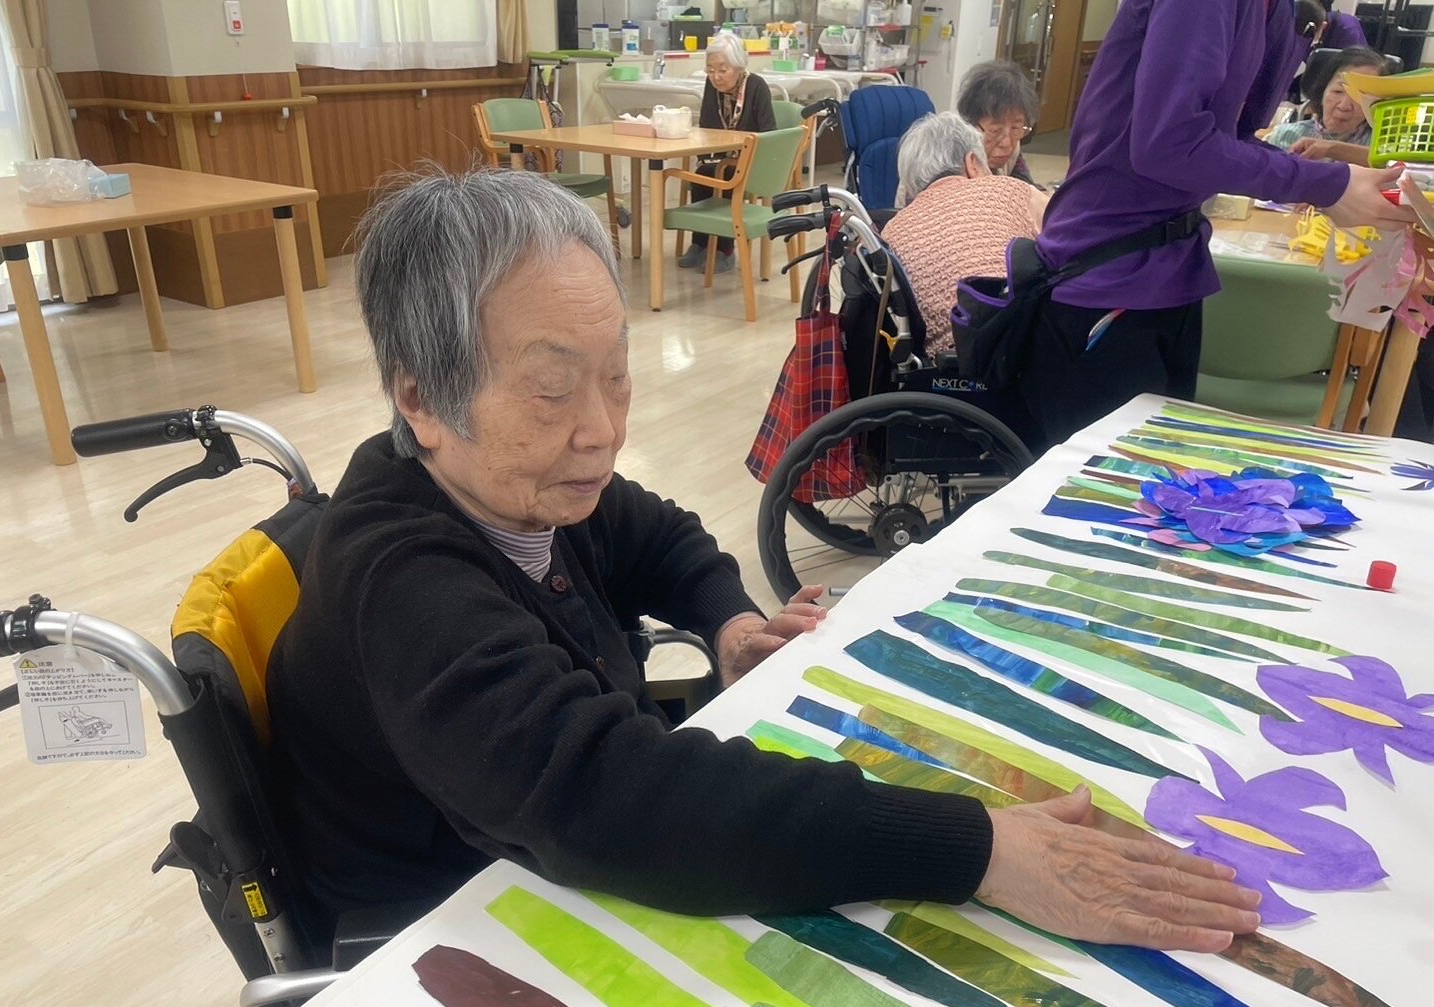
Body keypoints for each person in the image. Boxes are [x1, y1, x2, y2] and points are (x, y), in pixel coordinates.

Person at [267, 166, 1262, 956]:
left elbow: (656, 533)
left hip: (530, 851)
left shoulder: (515, 480)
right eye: (552, 390)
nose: (601, 430)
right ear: (420, 400)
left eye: (616, 376)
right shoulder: (403, 579)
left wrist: (729, 620)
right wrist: (979, 848)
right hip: (441, 926)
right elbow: (611, 800)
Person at [1017, 0, 1411, 450]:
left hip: (1170, 264)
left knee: (1156, 470)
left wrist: (1328, 182)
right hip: (1109, 273)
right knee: (1106, 479)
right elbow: (1171, 143)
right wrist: (1328, 184)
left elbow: (1228, 138)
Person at [886, 112, 1046, 357]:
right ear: (972, 164)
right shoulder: (1010, 190)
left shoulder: (892, 230)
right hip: (1025, 352)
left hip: (942, 366)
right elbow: (1069, 235)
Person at [677, 31, 776, 274]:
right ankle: (700, 242)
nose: (716, 77)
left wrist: (739, 155)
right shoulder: (712, 87)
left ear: (739, 66)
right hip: (721, 159)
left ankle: (725, 249)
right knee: (703, 174)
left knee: (725, 175)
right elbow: (707, 126)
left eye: (723, 70)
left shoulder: (756, 86)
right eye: (710, 70)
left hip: (752, 161)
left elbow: (769, 133)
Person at [1272, 46, 1393, 165]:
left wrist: (1331, 149)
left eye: (1359, 96)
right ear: (1323, 91)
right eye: (1337, 92)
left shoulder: (1385, 144)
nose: (1344, 106)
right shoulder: (1286, 135)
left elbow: (1388, 163)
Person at [956, 60, 1040, 186]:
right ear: (970, 125)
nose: (1006, 143)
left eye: (1015, 128)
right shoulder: (953, 157)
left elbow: (1025, 188)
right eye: (995, 130)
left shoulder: (1013, 150)